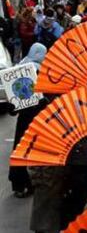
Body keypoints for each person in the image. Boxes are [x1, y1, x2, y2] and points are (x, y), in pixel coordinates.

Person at [8, 43, 48, 198]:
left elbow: (16, 100)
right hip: (35, 119)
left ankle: (18, 183)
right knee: (31, 151)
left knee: (20, 149)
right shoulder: (39, 71)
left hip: (23, 119)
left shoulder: (21, 67)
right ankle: (29, 182)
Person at [27, 166, 67, 233]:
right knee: (48, 219)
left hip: (50, 190)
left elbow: (32, 169)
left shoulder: (40, 154)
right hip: (51, 189)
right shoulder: (60, 155)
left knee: (44, 219)